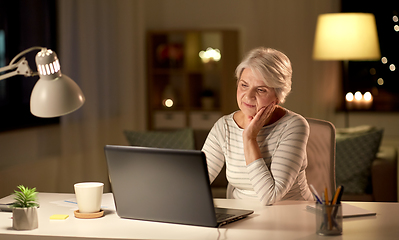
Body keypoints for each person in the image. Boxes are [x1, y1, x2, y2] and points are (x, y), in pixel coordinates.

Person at [202, 47, 313, 205]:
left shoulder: (294, 126)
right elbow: (198, 180)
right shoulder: (224, 126)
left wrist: (249, 138)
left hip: (290, 215)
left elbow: (270, 197)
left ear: (278, 96)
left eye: (261, 90)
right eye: (244, 85)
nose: (248, 96)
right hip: (242, 216)